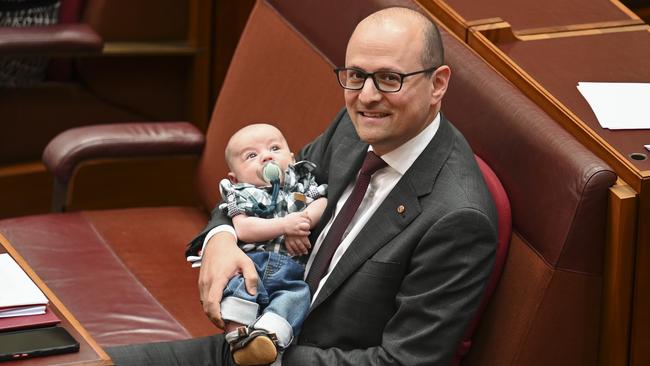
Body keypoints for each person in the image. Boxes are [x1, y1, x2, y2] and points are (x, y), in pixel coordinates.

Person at [107, 6, 497, 366]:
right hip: (248, 340)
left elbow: (403, 362)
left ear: (438, 84)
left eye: (390, 78)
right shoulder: (353, 127)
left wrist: (271, 357)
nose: (367, 96)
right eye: (356, 75)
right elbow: (266, 188)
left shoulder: (458, 217)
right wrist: (221, 239)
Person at [211, 123, 327, 365]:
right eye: (251, 156)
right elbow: (243, 228)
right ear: (235, 176)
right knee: (239, 287)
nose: (267, 156)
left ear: (292, 157)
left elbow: (323, 203)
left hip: (291, 270)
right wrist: (286, 226)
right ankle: (237, 335)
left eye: (275, 148)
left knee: (297, 296)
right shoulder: (242, 192)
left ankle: (268, 337)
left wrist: (303, 221)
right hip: (251, 265)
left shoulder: (302, 182)